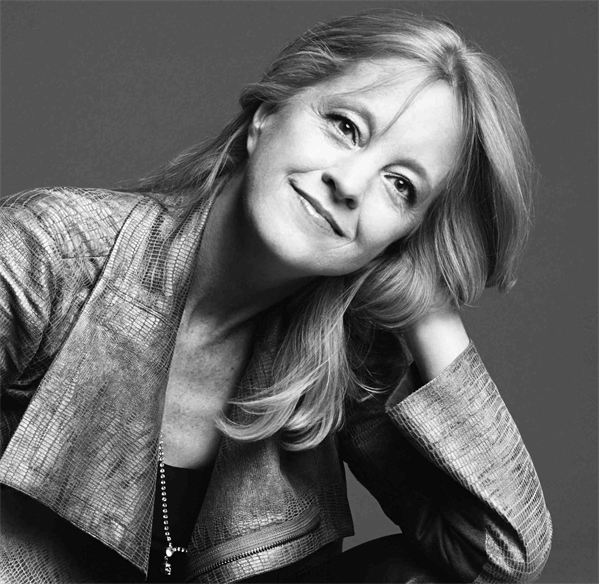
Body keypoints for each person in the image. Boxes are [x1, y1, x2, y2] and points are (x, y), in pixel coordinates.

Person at [0, 8, 552, 584]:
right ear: (267, 115)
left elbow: (499, 553)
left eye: (400, 186)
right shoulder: (48, 256)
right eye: (345, 126)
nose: (349, 183)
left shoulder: (343, 362)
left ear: (404, 235)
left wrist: (427, 301)